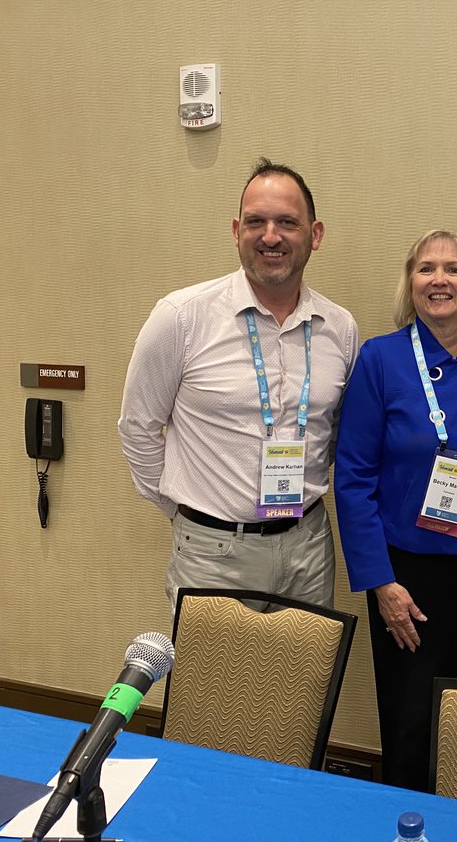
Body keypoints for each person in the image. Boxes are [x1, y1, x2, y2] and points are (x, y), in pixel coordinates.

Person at [334, 230, 457, 791]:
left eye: (452, 269)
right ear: (410, 284)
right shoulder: (381, 358)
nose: (438, 279)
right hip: (407, 576)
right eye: (425, 269)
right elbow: (352, 478)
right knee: (410, 719)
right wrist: (379, 583)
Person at [119, 159, 358, 615]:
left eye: (287, 222)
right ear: (236, 231)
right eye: (256, 222)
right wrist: (188, 515)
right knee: (211, 687)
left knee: (303, 684)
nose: (271, 236)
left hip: (308, 548)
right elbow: (137, 428)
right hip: (213, 557)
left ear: (316, 234)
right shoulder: (182, 318)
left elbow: (336, 435)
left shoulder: (340, 328)